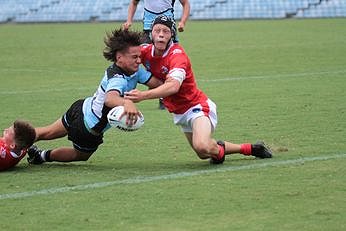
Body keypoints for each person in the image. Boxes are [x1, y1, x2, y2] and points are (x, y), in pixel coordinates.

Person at [125, 15, 273, 164]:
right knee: (203, 153)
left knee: (202, 145)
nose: (161, 34)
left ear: (172, 35)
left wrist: (143, 95)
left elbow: (173, 86)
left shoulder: (177, 56)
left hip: (196, 106)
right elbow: (126, 57)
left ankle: (219, 154)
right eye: (157, 30)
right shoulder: (145, 51)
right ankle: (252, 148)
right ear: (151, 33)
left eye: (166, 31)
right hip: (179, 112)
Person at [27, 29, 162, 165]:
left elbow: (158, 84)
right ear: (119, 57)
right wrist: (127, 103)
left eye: (140, 56)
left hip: (81, 108)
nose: (139, 61)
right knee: (80, 154)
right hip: (88, 127)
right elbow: (110, 99)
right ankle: (39, 155)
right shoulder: (117, 78)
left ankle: (14, 142)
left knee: (48, 132)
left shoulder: (135, 70)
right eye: (134, 57)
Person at [122, 0, 191, 109]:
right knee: (138, 57)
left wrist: (183, 22)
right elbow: (134, 3)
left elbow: (185, 3)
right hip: (148, 29)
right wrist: (129, 20)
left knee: (170, 61)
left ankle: (164, 95)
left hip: (168, 28)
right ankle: (126, 90)